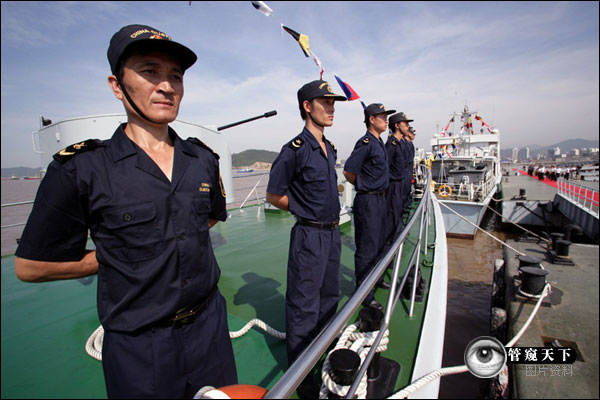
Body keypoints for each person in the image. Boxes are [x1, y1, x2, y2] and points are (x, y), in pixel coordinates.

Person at [14, 24, 237, 398]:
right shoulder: (82, 168)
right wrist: (111, 257)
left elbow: (210, 216)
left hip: (210, 328)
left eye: (175, 76)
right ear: (117, 86)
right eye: (150, 72)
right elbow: (30, 266)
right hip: (140, 347)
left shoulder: (202, 159)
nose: (166, 86)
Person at [266, 80, 346, 397]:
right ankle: (301, 377)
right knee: (303, 307)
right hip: (309, 236)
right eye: (325, 102)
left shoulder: (330, 148)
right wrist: (303, 210)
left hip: (333, 235)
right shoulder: (295, 150)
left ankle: (324, 352)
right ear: (307, 106)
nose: (331, 108)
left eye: (333, 103)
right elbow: (273, 194)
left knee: (329, 298)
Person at [344, 103, 395, 310]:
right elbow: (348, 171)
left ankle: (377, 279)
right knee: (367, 248)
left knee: (380, 243)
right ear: (372, 120)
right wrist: (363, 186)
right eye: (382, 117)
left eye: (386, 117)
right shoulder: (365, 143)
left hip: (381, 200)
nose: (386, 120)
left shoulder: (379, 142)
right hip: (368, 201)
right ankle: (365, 295)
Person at [382, 112, 414, 256]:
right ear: (397, 125)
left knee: (397, 218)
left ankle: (395, 244)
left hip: (401, 184)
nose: (407, 126)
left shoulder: (400, 144)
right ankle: (388, 253)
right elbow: (385, 168)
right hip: (393, 187)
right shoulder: (392, 145)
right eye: (405, 123)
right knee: (391, 221)